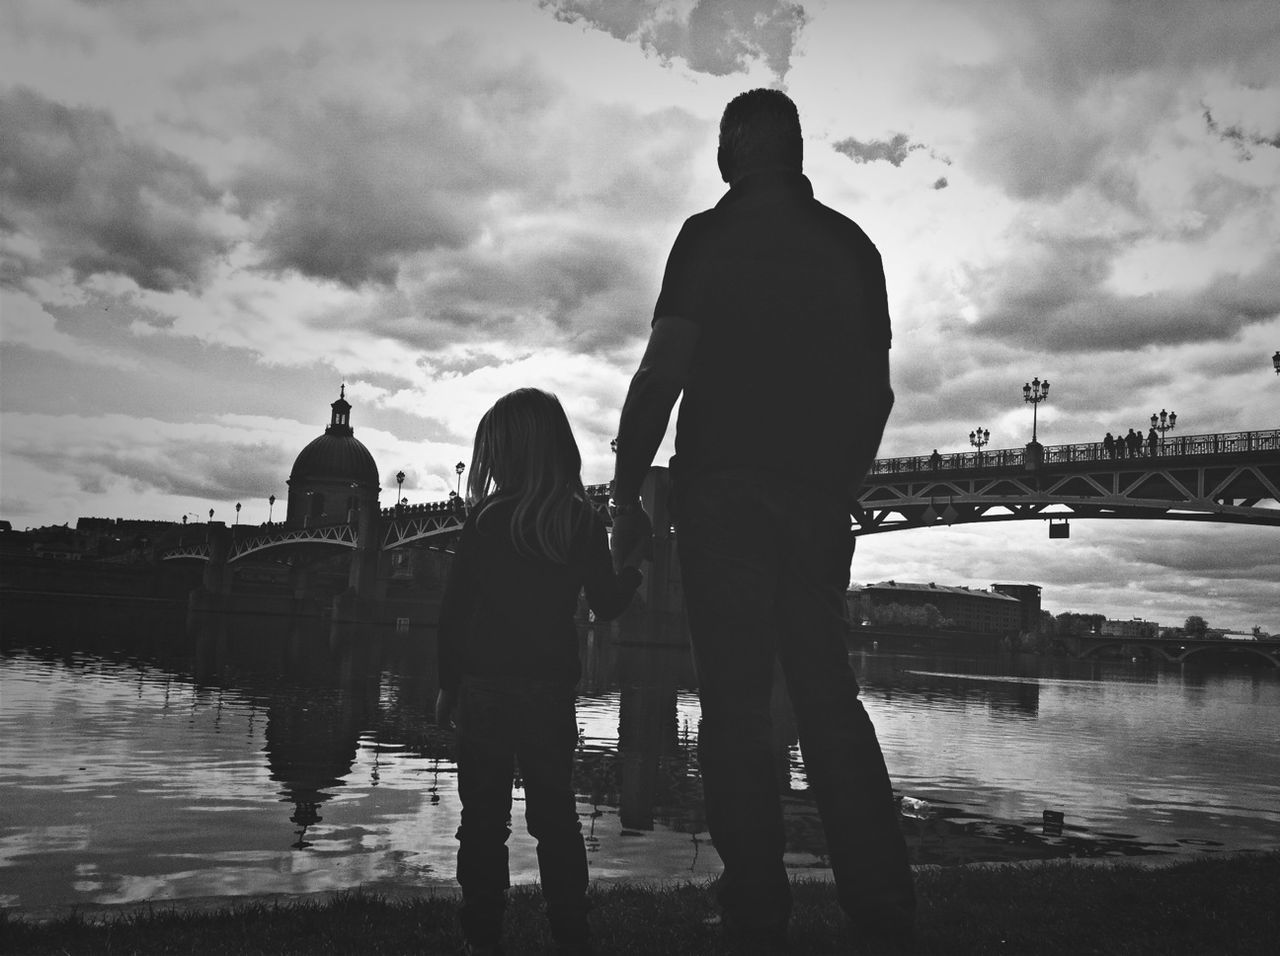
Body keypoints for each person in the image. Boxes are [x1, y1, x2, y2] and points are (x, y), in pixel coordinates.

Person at [610, 88, 913, 952]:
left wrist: (627, 496)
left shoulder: (707, 236)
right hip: (814, 504)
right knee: (828, 699)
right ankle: (883, 906)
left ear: (735, 148)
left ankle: (755, 906)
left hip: (723, 497)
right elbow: (877, 393)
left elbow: (661, 372)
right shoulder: (855, 248)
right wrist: (835, 489)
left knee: (737, 707)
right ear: (798, 150)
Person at [435, 388, 643, 956]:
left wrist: (448, 684)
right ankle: (570, 932)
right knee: (556, 820)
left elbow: (454, 614)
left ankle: (482, 936)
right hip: (549, 695)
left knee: (481, 823)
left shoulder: (484, 521)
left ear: (508, 453)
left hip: (482, 691)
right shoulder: (578, 521)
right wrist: (633, 568)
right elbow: (607, 602)